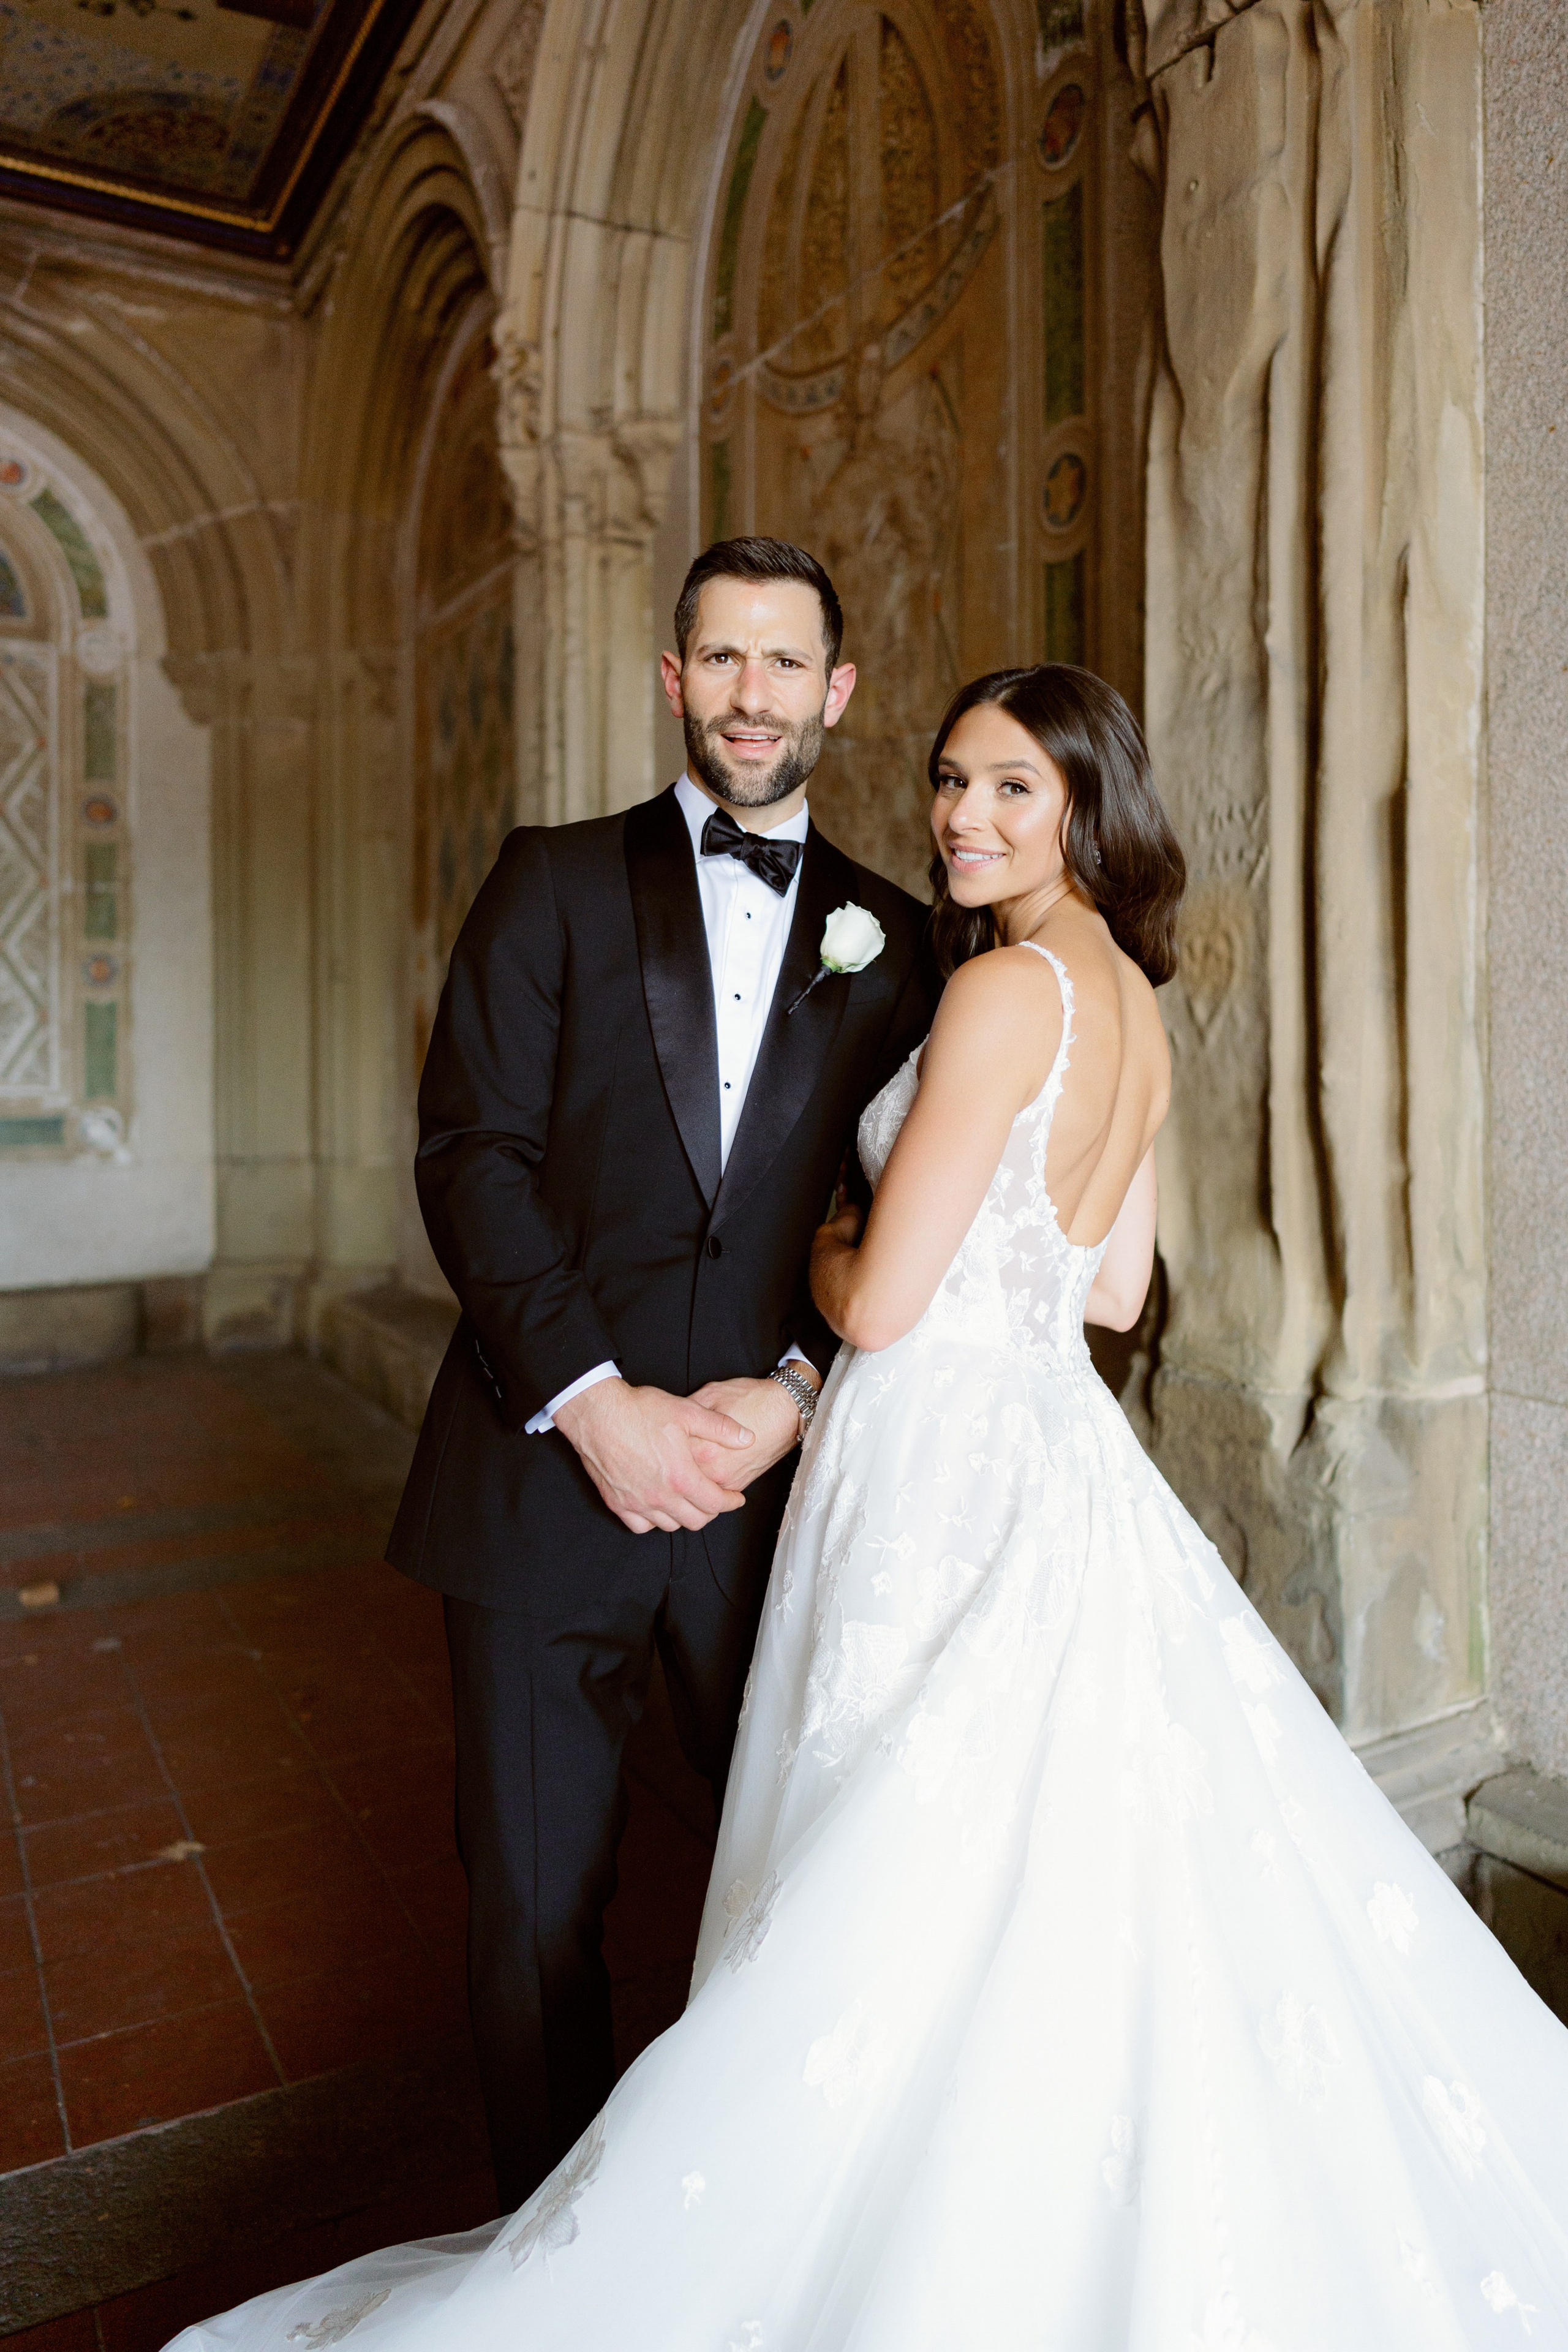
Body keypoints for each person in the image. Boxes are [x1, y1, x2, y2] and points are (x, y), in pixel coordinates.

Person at [172, 666, 1568, 2352]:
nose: (963, 820)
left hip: (936, 1460)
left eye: (1010, 792)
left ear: (1084, 809)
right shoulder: (1130, 999)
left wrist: (830, 1231)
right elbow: (1118, 1290)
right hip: (1059, 1456)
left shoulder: (997, 999)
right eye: (948, 783)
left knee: (901, 1865)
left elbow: (882, 1307)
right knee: (1032, 1868)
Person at [383, 536, 935, 2212]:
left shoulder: (900, 941)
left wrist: (791, 1388)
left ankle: (752, 2240)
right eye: (722, 659)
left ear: (834, 693)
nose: (751, 694)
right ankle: (548, 2264)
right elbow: (471, 1154)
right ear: (673, 676)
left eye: (786, 664)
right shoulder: (549, 878)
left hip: (772, 1506)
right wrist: (598, 1405)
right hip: (544, 1478)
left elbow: (909, 1219)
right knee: (536, 1911)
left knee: (791, 1895)